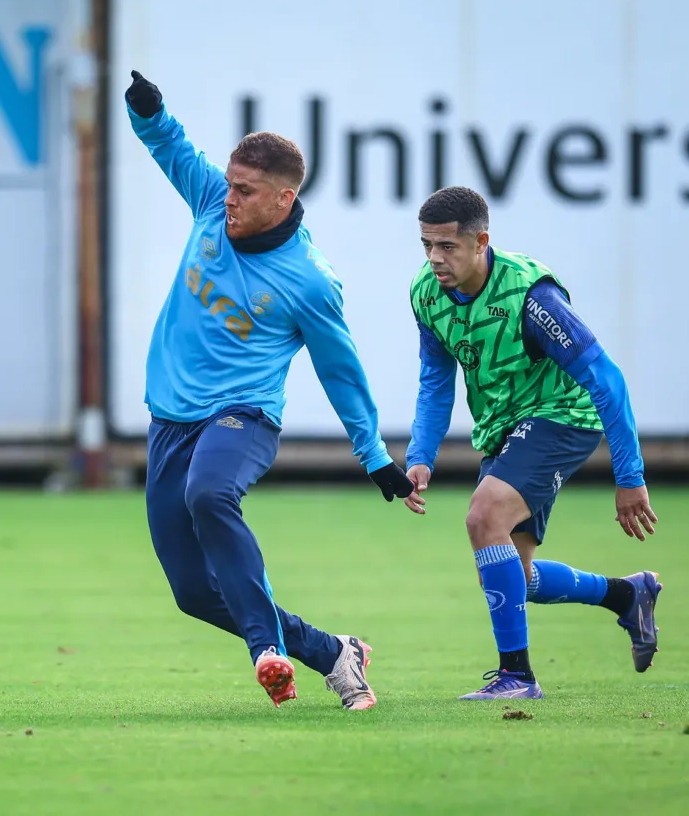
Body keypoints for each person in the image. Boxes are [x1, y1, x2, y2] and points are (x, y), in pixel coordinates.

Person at [125, 71, 414, 709]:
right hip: (170, 422)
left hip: (242, 417)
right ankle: (332, 653)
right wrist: (148, 111)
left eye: (245, 191)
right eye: (229, 183)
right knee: (194, 594)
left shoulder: (309, 281)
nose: (229, 198)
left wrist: (374, 456)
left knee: (209, 492)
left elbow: (341, 369)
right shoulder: (210, 203)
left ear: (283, 200)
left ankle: (266, 652)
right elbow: (173, 147)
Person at [404, 185, 661, 701]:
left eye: (447, 247)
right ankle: (627, 594)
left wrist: (630, 477)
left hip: (561, 417)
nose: (435, 258)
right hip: (504, 429)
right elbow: (436, 380)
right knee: (508, 576)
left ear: (482, 242)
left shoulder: (531, 297)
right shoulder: (426, 294)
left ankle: (517, 677)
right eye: (427, 245)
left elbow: (606, 381)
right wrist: (419, 456)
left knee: (483, 517)